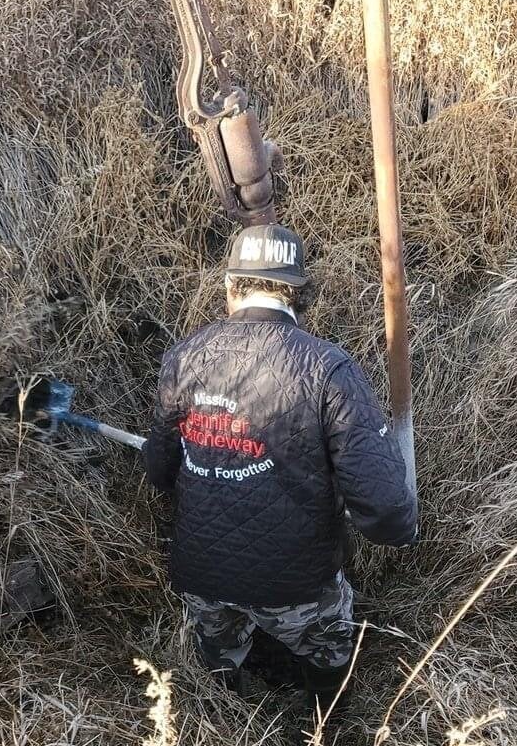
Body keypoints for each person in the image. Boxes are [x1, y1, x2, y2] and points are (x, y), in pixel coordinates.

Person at [145, 224, 417, 713]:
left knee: (217, 656)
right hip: (297, 585)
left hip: (202, 576)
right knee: (329, 650)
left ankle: (227, 726)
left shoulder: (182, 359)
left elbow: (161, 472)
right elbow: (383, 502)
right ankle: (325, 728)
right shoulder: (327, 369)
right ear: (299, 293)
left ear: (231, 285)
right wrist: (400, 531)